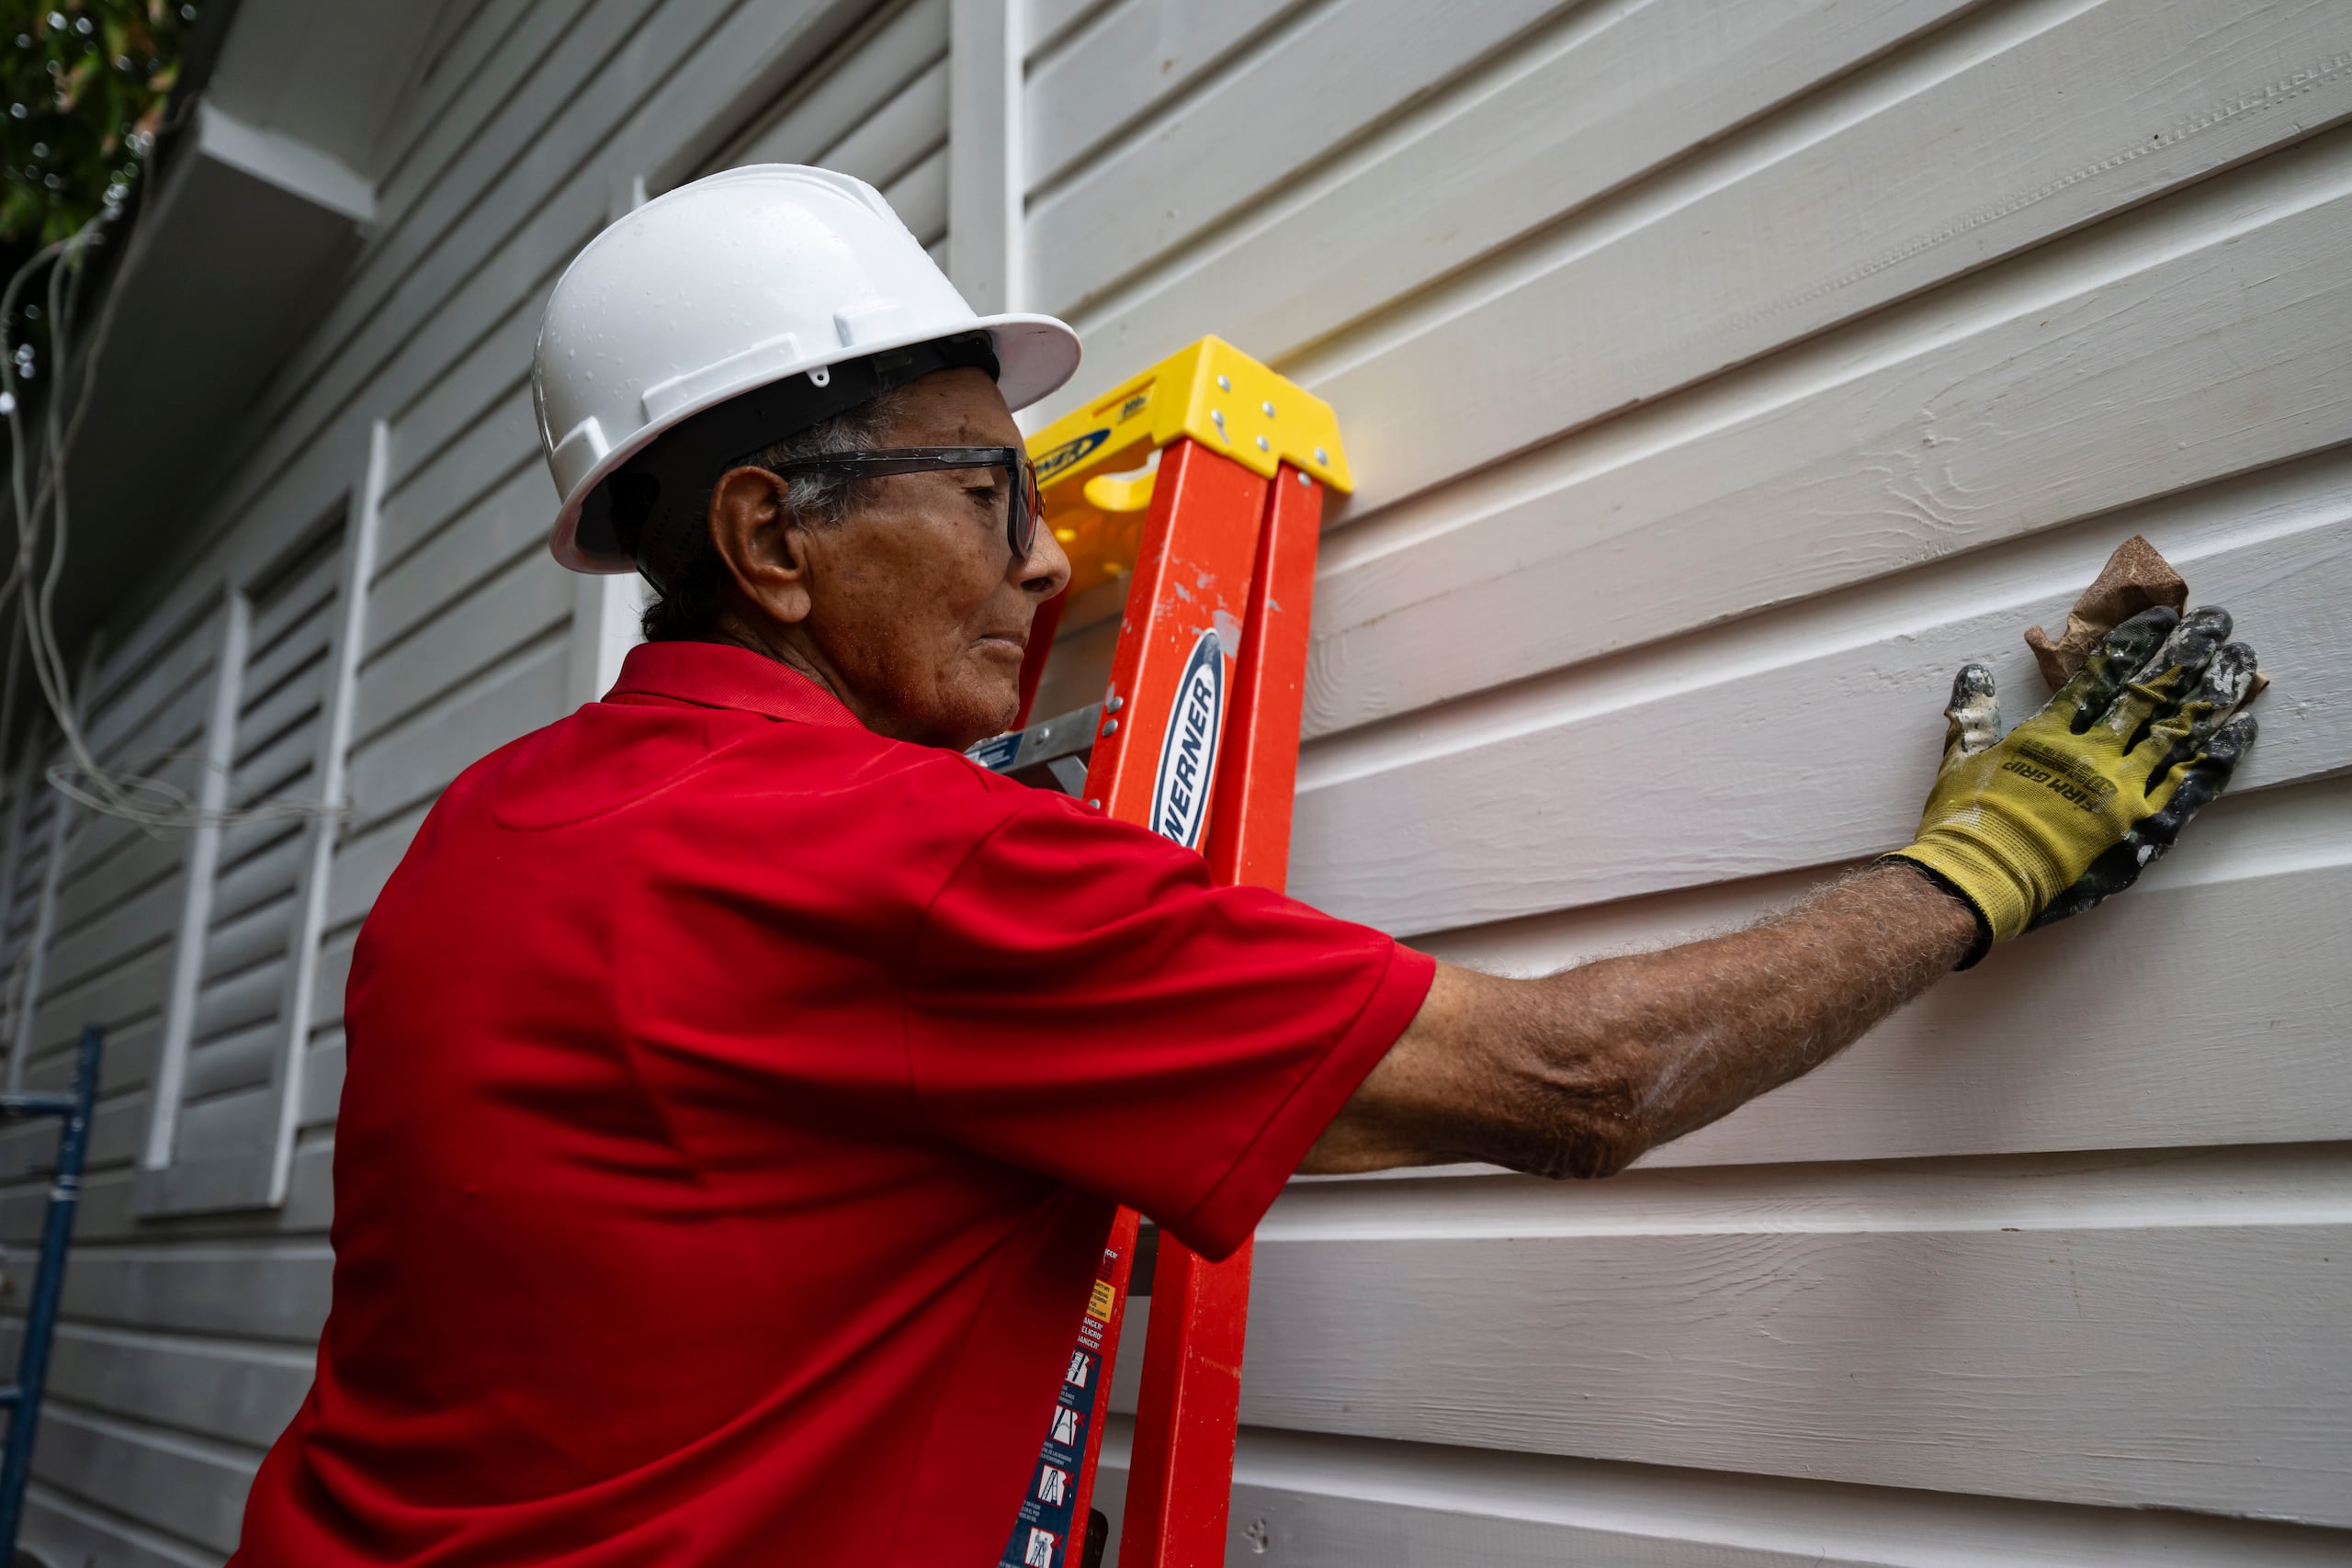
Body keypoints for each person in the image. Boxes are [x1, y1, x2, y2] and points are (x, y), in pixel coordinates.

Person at [228, 166, 2260, 1566]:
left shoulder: (475, 838)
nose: (1045, 557)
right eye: (989, 489)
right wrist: (1994, 851)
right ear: (771, 538)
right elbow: (1575, 1082)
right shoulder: (897, 864)